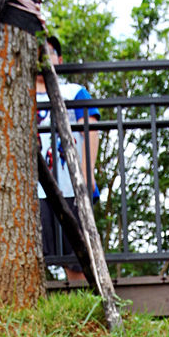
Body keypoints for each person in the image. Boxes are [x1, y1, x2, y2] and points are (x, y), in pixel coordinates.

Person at [35, 34, 98, 285]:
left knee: (77, 254)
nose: (43, 58)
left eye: (48, 52)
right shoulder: (19, 96)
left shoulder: (74, 92)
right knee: (38, 254)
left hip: (70, 185)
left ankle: (81, 304)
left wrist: (88, 172)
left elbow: (91, 130)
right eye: (38, 53)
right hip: (33, 190)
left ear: (59, 59)